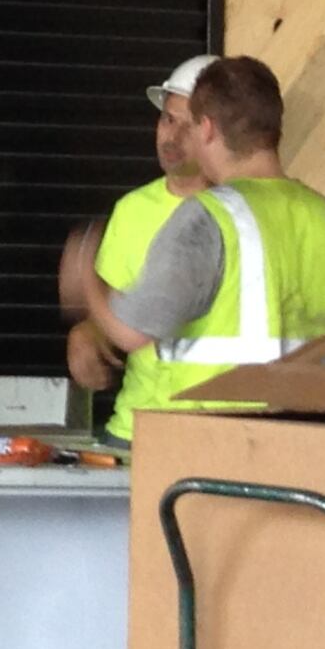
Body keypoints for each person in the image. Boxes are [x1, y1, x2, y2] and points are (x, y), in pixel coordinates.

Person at [74, 53, 325, 413]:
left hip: (212, 442)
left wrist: (84, 273)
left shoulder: (210, 217)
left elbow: (131, 332)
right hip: (317, 443)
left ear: (208, 128)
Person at [61, 54, 212, 446]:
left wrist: (85, 281)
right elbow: (113, 316)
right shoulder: (132, 210)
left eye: (188, 124)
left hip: (221, 433)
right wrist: (85, 334)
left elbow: (132, 329)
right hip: (136, 428)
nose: (171, 137)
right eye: (167, 119)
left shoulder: (240, 212)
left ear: (215, 131)